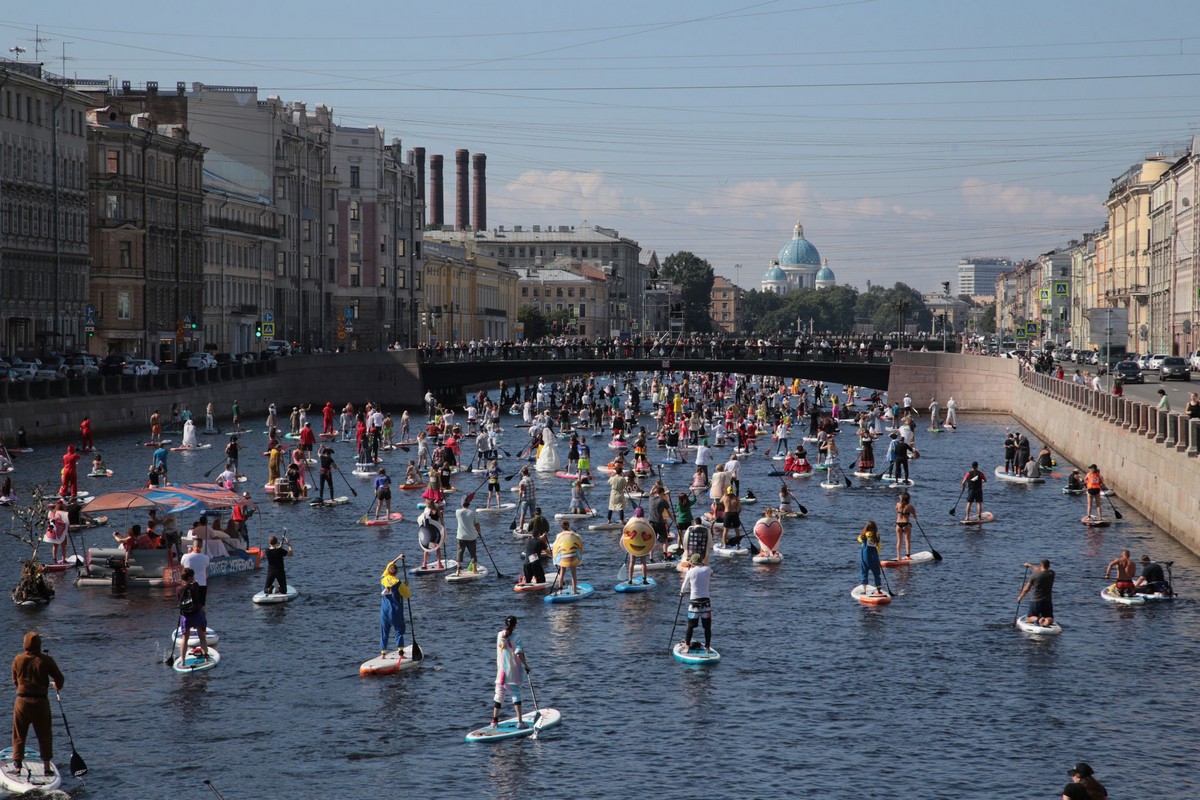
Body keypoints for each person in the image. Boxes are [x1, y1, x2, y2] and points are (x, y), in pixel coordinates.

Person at [9, 632, 64, 780]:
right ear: (39, 645)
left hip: (22, 702)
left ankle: (18, 767)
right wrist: (56, 685)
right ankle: (47, 768)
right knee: (44, 734)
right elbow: (59, 678)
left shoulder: (17, 659)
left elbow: (15, 680)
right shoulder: (46, 660)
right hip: (41, 703)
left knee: (19, 735)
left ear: (25, 644)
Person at [491, 616, 532, 730]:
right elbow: (518, 653)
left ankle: (494, 722)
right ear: (515, 625)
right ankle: (520, 722)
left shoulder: (499, 635)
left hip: (501, 674)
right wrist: (526, 665)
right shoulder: (517, 637)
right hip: (513, 674)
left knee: (498, 696)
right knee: (516, 696)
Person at [679, 553, 714, 652]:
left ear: (692, 562)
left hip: (694, 603)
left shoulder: (690, 572)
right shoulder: (708, 569)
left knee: (690, 626)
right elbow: (712, 573)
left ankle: (686, 647)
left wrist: (682, 593)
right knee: (707, 627)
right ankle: (707, 647)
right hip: (706, 603)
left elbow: (684, 586)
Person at [176, 567, 209, 665]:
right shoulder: (195, 586)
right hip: (197, 613)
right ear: (190, 577)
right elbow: (198, 598)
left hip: (185, 616)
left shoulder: (178, 589)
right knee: (202, 637)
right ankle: (206, 658)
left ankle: (182, 662)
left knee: (185, 639)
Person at [378, 555, 408, 658]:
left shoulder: (382, 579)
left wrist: (398, 558)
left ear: (388, 571)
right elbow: (408, 595)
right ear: (396, 573)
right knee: (399, 629)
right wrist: (406, 586)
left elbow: (389, 565)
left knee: (384, 631)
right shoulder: (399, 583)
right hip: (395, 611)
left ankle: (383, 654)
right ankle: (400, 654)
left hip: (384, 611)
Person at [1017, 559, 1055, 627]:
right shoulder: (1052, 574)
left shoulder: (1034, 575)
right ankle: (1047, 621)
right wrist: (1030, 565)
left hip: (1036, 601)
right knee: (1049, 617)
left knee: (1029, 618)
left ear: (1040, 565)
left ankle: (1038, 619)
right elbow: (1041, 570)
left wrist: (1020, 597)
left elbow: (1026, 589)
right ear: (1049, 566)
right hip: (1047, 601)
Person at [550, 521, 583, 595]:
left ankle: (560, 590)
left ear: (562, 527)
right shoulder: (574, 534)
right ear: (568, 526)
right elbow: (580, 539)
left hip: (563, 557)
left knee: (562, 573)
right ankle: (574, 591)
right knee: (573, 573)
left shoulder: (559, 535)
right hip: (573, 556)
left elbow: (555, 545)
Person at [452, 495, 481, 577]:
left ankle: (458, 570)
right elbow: (477, 524)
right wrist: (479, 532)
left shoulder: (457, 512)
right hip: (471, 536)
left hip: (461, 536)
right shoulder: (473, 513)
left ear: (461, 504)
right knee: (473, 553)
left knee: (460, 552)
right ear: (469, 504)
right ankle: (475, 570)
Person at [180, 540, 212, 608]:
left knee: (187, 606)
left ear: (192, 546)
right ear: (202, 546)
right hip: (202, 584)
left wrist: (189, 553)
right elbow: (206, 565)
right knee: (201, 607)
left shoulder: (185, 556)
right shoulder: (206, 557)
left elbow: (182, 564)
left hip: (188, 584)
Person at [857, 520, 885, 595]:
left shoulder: (864, 535)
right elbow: (879, 547)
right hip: (874, 557)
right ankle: (879, 589)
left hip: (865, 558)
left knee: (864, 572)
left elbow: (859, 539)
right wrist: (877, 553)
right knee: (876, 573)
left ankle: (864, 590)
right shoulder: (877, 536)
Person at [894, 492, 916, 560]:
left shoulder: (898, 504)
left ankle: (898, 557)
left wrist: (900, 500)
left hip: (898, 524)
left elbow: (896, 508)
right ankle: (908, 556)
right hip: (906, 524)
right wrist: (915, 519)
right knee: (907, 540)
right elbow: (914, 516)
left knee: (899, 541)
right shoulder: (910, 506)